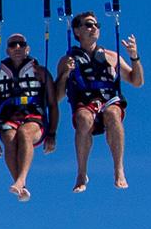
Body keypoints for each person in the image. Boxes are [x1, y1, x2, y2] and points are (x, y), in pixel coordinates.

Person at [57, 10, 143, 190]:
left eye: (96, 25)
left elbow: (137, 81)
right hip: (85, 103)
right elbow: (57, 96)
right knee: (83, 118)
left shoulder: (111, 56)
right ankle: (81, 173)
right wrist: (65, 74)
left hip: (109, 100)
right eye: (88, 24)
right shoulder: (67, 60)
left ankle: (119, 169)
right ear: (77, 31)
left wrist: (134, 56)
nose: (94, 28)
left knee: (112, 113)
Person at [0, 32, 54, 201]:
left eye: (21, 44)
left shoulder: (41, 72)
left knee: (24, 133)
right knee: (9, 137)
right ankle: (20, 185)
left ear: (27, 49)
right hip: (9, 118)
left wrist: (52, 133)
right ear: (7, 50)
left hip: (34, 118)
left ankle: (21, 180)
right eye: (13, 45)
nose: (17, 48)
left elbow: (52, 104)